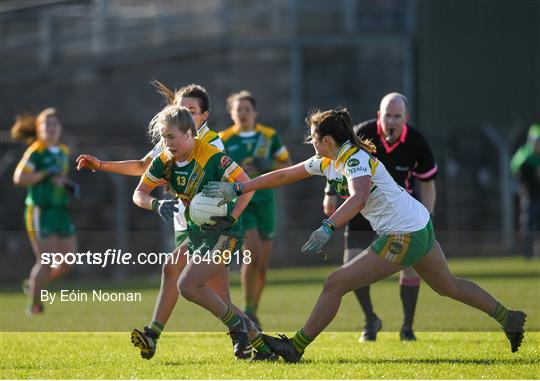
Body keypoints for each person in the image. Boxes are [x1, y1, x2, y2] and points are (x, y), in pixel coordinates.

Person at [203, 108, 527, 362]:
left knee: (334, 284)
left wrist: (327, 227)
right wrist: (240, 186)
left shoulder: (355, 159)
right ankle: (509, 317)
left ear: (327, 140)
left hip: (403, 234)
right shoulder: (329, 160)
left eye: (314, 137)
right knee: (449, 287)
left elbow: (358, 198)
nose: (311, 142)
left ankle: (295, 347)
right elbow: (286, 174)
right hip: (419, 226)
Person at [76, 82, 254, 360]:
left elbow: (239, 185)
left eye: (190, 110)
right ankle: (155, 334)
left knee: (200, 287)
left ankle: (250, 336)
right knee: (180, 275)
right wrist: (101, 165)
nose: (183, 113)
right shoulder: (170, 137)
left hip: (213, 228)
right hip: (185, 220)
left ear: (203, 116)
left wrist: (227, 214)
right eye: (179, 108)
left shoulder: (210, 143)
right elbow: (142, 167)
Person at [132, 104, 276, 361]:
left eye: (172, 137)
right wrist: (156, 204)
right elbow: (139, 193)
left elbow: (247, 186)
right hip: (199, 234)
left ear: (190, 134)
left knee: (187, 285)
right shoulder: (165, 160)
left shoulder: (211, 156)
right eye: (163, 138)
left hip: (226, 233)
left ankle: (236, 327)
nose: (167, 143)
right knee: (189, 279)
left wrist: (231, 216)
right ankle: (263, 349)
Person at [323, 92, 437, 341]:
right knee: (350, 265)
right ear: (379, 116)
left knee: (411, 270)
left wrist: (426, 217)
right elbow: (335, 160)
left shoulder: (416, 141)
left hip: (398, 215)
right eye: (388, 115)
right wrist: (330, 191)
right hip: (361, 206)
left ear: (405, 118)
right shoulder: (362, 132)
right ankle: (371, 319)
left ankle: (407, 327)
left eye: (397, 116)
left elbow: (427, 184)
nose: (392, 121)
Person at [219, 90, 291, 326]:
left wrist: (266, 164)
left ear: (255, 112)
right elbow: (216, 170)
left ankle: (254, 310)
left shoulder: (269, 137)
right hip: (242, 204)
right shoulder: (224, 139)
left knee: (262, 263)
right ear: (231, 113)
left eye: (247, 109)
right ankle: (247, 310)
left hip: (266, 203)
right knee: (253, 253)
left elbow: (288, 165)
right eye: (238, 109)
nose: (243, 113)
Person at [12, 108, 79, 314]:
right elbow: (19, 177)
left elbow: (57, 179)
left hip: (60, 210)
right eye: (46, 124)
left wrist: (67, 185)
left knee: (68, 261)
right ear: (39, 129)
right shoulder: (36, 152)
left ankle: (34, 286)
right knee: (47, 261)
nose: (50, 128)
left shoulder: (63, 152)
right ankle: (34, 306)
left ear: (60, 129)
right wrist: (43, 173)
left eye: (54, 124)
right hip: (40, 211)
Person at [510, 123, 540, 259]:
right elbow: (518, 174)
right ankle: (527, 255)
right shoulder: (524, 156)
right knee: (528, 226)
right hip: (529, 197)